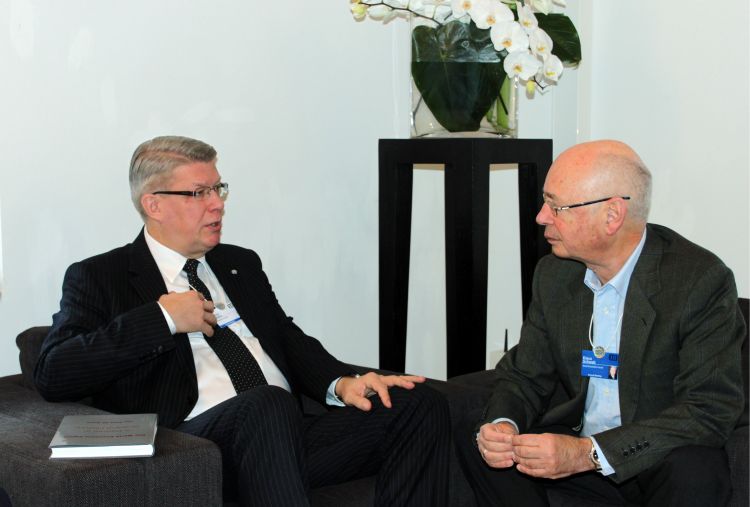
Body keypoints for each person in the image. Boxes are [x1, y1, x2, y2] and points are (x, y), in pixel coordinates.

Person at [35, 135, 450, 506]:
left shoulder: (239, 263)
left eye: (218, 189)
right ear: (154, 204)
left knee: (417, 403)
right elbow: (54, 372)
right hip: (196, 447)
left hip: (285, 434)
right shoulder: (100, 276)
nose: (217, 203)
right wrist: (162, 318)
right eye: (198, 193)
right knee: (266, 403)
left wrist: (340, 382)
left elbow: (284, 335)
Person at [455, 140, 745, 506]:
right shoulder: (555, 273)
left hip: (652, 457)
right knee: (474, 436)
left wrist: (589, 454)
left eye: (556, 206)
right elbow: (525, 375)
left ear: (612, 215)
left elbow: (708, 408)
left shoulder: (698, 280)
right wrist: (502, 426)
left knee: (696, 469)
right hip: (575, 452)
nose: (541, 217)